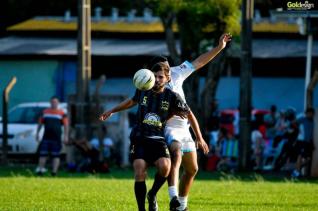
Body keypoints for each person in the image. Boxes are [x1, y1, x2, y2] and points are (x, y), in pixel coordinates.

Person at [149, 33, 231, 211]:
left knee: (193, 169)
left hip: (184, 126)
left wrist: (219, 48)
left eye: (165, 68)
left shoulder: (176, 73)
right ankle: (173, 198)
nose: (163, 73)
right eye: (158, 70)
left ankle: (181, 207)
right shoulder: (148, 85)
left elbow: (199, 62)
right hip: (167, 127)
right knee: (176, 155)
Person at [99, 62, 191, 211]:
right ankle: (141, 209)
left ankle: (152, 194)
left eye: (160, 77)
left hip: (158, 139)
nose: (157, 79)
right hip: (139, 137)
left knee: (165, 167)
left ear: (167, 79)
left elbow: (187, 112)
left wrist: (180, 113)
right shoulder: (143, 90)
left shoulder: (172, 96)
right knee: (140, 168)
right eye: (155, 76)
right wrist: (112, 110)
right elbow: (130, 101)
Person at [35, 96, 69, 176]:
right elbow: (40, 123)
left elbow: (66, 125)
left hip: (56, 137)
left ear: (58, 103)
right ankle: (40, 170)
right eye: (52, 102)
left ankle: (54, 172)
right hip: (46, 137)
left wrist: (66, 136)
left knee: (56, 155)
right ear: (50, 102)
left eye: (55, 102)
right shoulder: (45, 112)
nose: (54, 103)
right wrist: (37, 133)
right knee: (43, 154)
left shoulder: (62, 113)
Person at [292, 107, 315, 178]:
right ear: (307, 113)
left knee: (308, 159)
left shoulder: (312, 121)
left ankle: (296, 170)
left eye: (312, 114)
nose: (311, 115)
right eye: (309, 113)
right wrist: (298, 129)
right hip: (301, 141)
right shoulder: (303, 119)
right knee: (300, 156)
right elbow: (293, 122)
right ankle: (297, 173)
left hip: (308, 142)